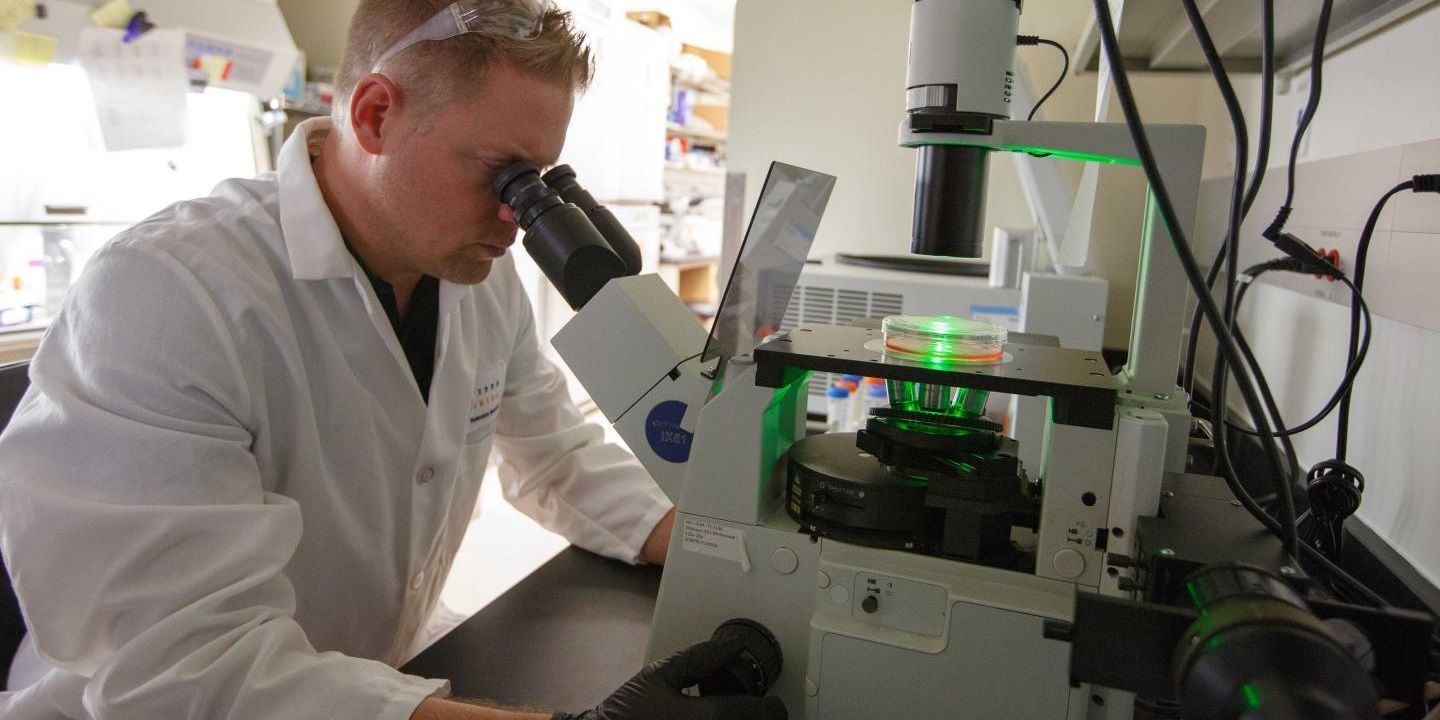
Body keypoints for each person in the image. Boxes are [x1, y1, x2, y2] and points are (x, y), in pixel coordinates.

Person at [0, 1, 784, 718]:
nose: (519, 216)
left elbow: (555, 458)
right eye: (500, 174)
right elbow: (187, 669)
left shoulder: (480, 280)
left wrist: (749, 559)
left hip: (364, 672)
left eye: (538, 180)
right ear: (375, 115)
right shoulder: (168, 294)